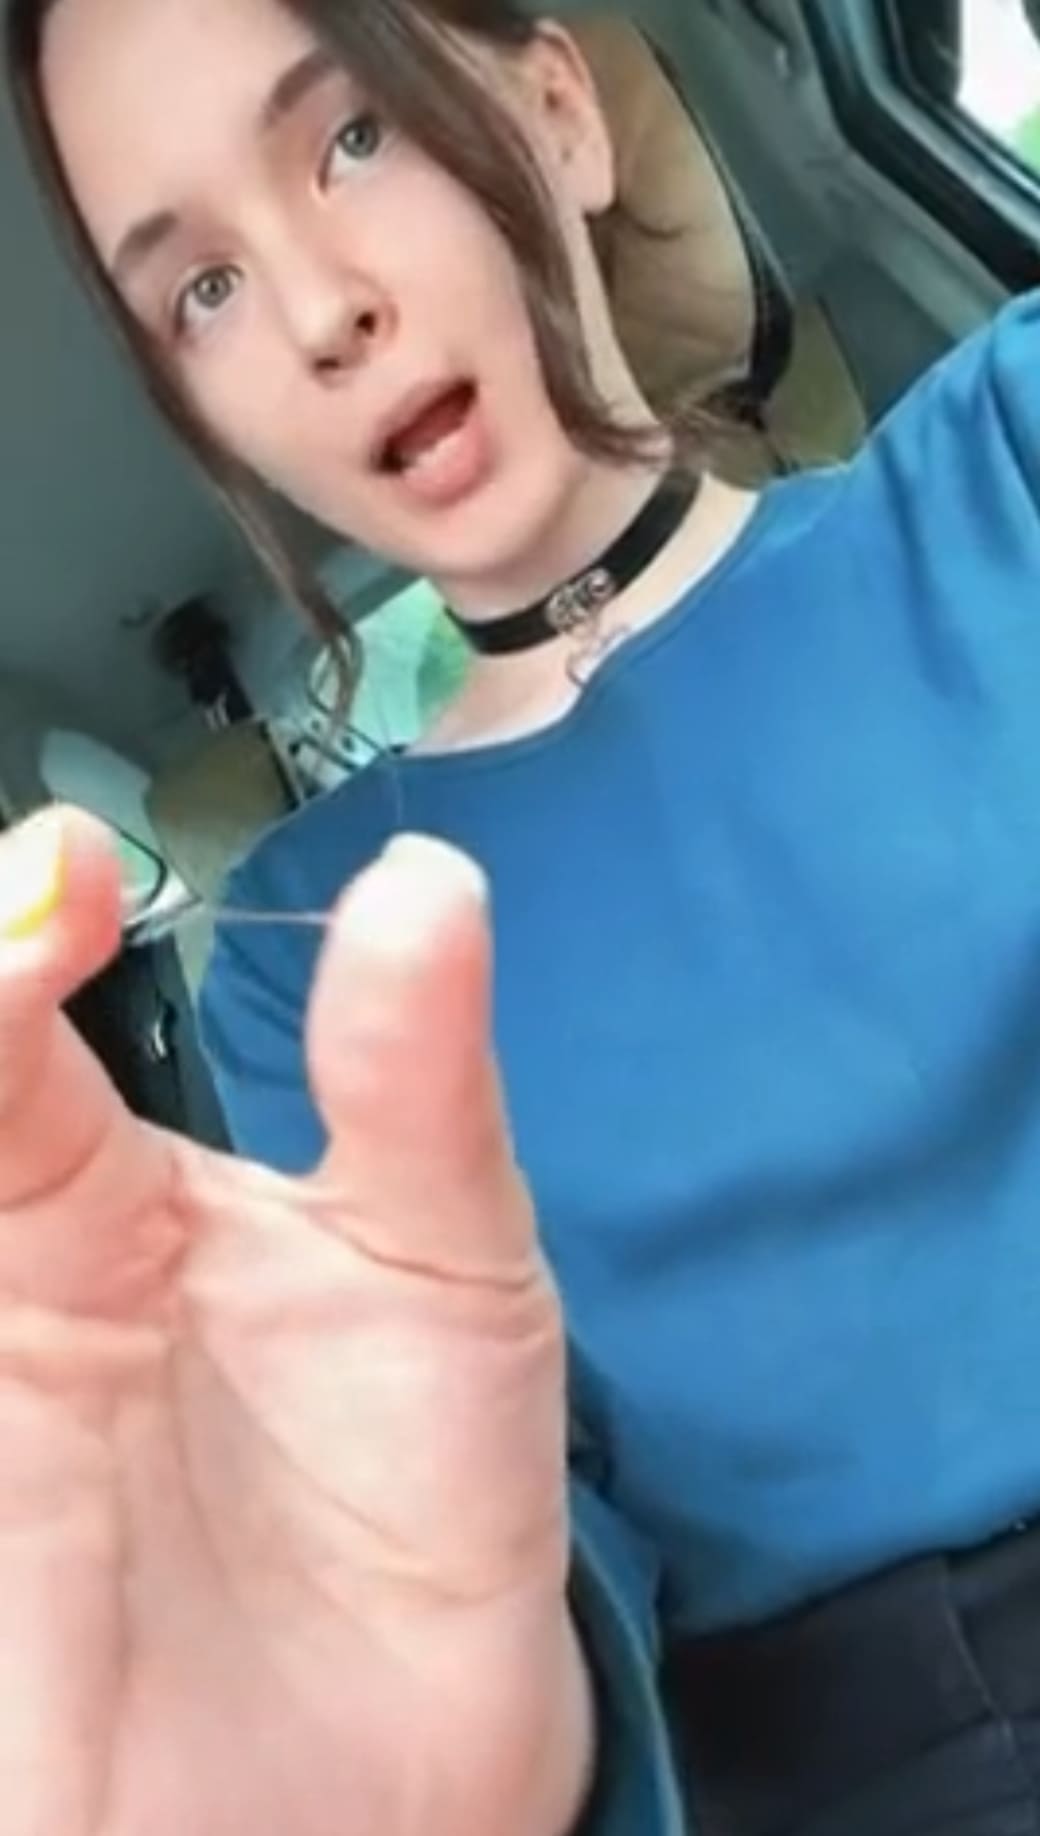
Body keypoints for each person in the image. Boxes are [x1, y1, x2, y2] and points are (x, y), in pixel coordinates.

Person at [8, 0, 1040, 1829]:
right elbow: (514, 1528)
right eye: (205, 293)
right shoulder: (303, 949)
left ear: (562, 111)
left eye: (353, 137)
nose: (319, 312)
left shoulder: (1003, 470)